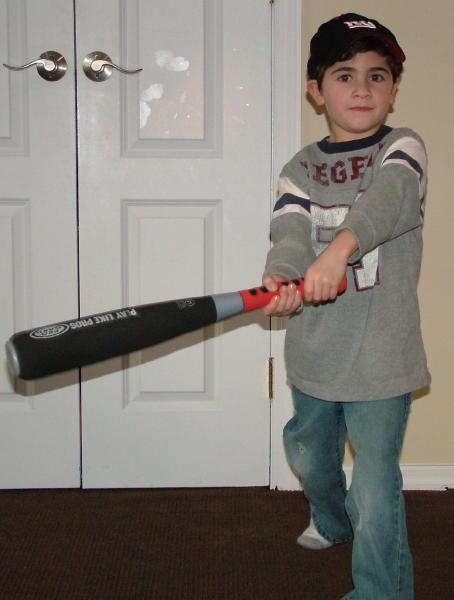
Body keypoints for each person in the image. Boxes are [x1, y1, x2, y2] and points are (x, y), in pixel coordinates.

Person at [262, 13, 430, 600]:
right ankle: (331, 520)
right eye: (344, 75)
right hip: (316, 349)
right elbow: (288, 234)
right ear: (316, 90)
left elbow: (389, 199)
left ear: (393, 88)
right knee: (310, 455)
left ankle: (382, 591)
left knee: (376, 488)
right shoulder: (299, 170)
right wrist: (283, 276)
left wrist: (338, 251)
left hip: (384, 354)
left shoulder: (402, 147)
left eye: (376, 76)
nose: (362, 89)